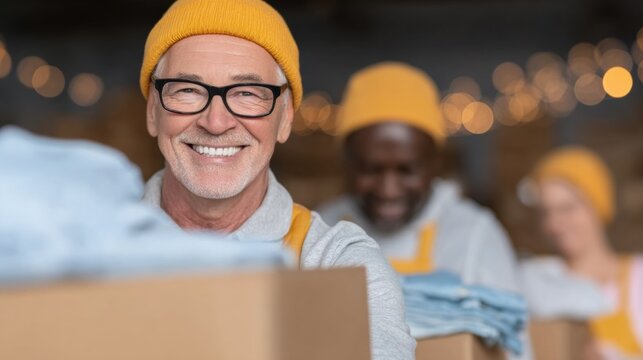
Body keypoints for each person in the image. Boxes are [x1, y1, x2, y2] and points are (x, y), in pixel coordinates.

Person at [138, 1, 415, 358]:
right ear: (152, 112)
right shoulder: (80, 252)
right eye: (188, 90)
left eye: (248, 94)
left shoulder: (338, 266)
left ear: (284, 119)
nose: (216, 122)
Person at [317, 62, 532, 359]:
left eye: (407, 171)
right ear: (348, 164)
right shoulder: (320, 230)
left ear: (435, 164)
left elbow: (516, 351)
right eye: (370, 169)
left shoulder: (474, 236)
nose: (388, 189)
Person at [521, 146, 643, 359]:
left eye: (567, 208)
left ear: (597, 205)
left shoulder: (638, 277)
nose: (554, 224)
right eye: (546, 212)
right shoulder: (541, 282)